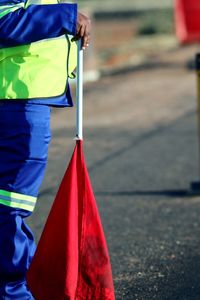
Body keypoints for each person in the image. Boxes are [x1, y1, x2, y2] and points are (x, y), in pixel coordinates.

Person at [0, 0, 91, 299]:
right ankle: (13, 292)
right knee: (10, 206)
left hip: (23, 98)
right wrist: (64, 16)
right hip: (16, 101)